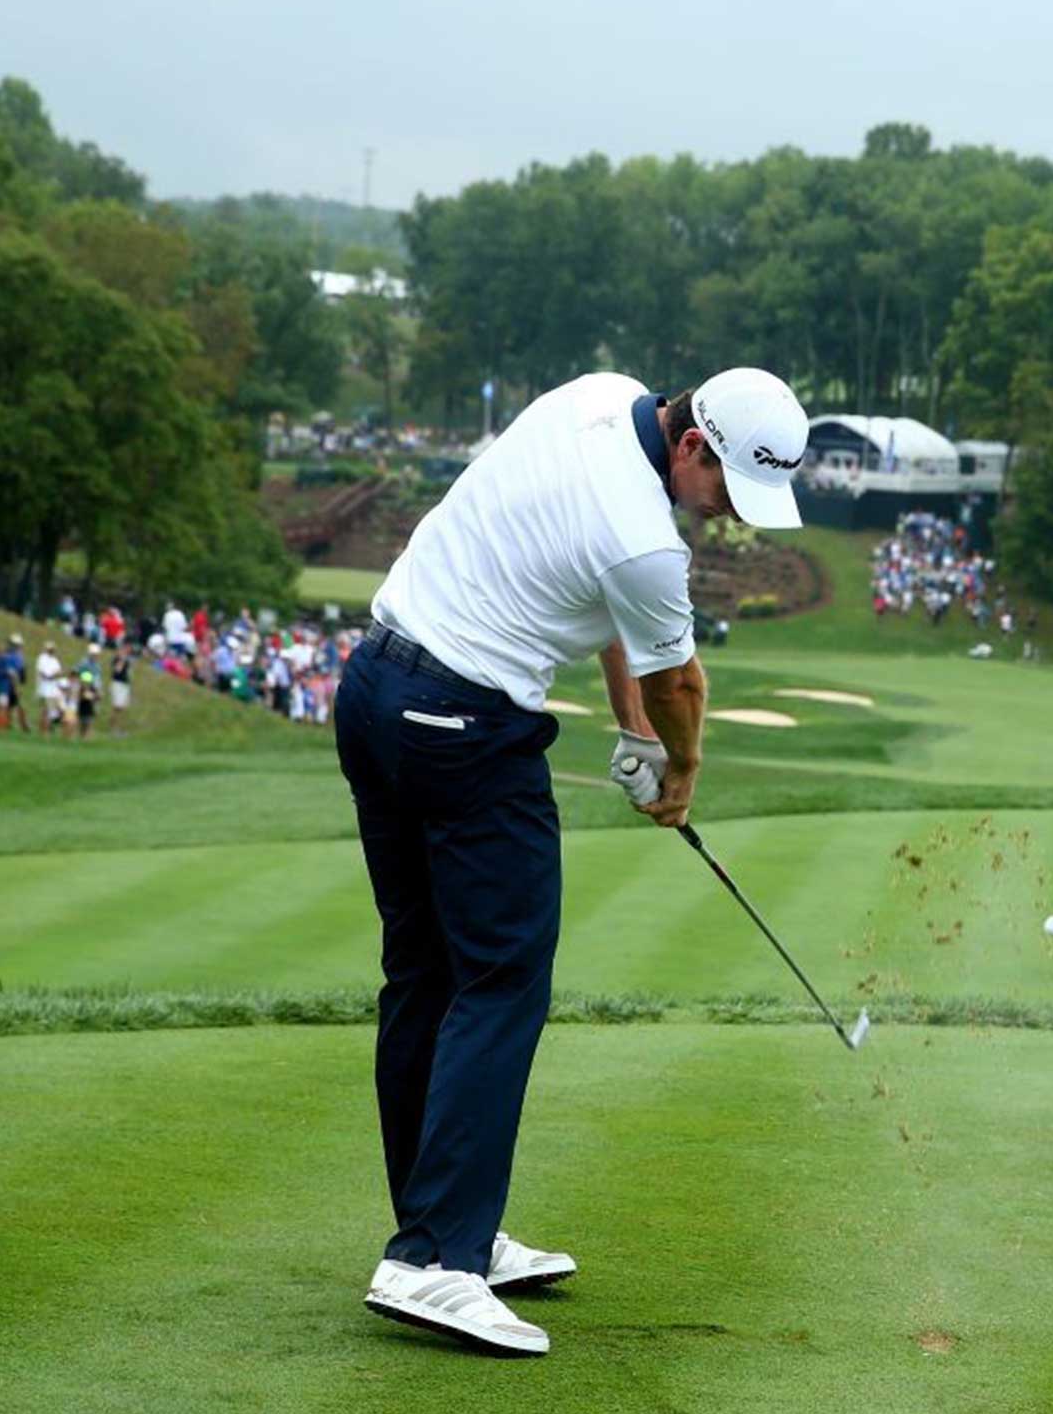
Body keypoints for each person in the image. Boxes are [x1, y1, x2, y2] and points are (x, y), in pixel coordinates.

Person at [338, 367, 808, 1357]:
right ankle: (434, 1261)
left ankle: (441, 1227)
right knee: (501, 983)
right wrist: (675, 769)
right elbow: (678, 679)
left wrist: (628, 728)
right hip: (463, 725)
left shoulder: (596, 395)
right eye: (727, 490)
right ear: (691, 448)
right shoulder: (647, 540)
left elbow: (614, 630)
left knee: (424, 975)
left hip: (375, 687)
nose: (727, 518)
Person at [0, 633, 29, 732]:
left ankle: (7, 725)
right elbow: (16, 673)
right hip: (10, 684)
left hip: (7, 684)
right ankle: (5, 725)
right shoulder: (15, 656)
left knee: (8, 706)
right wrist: (17, 686)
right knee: (7, 706)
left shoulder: (8, 655)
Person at [36, 639, 65, 739]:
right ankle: (44, 732)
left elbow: (59, 672)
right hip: (45, 689)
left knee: (52, 711)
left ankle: (46, 730)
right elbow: (44, 674)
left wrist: (56, 675)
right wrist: (54, 674)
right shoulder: (42, 658)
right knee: (46, 711)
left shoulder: (54, 660)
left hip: (53, 689)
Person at [75, 644, 101, 741]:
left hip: (92, 689)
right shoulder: (84, 663)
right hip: (85, 689)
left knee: (90, 713)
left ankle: (86, 736)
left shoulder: (97, 665)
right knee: (85, 712)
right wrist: (86, 688)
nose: (96, 656)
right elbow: (81, 676)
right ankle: (83, 736)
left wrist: (98, 691)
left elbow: (97, 679)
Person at [109, 645, 133, 735]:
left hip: (124, 684)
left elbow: (128, 672)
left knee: (122, 708)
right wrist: (122, 659)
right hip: (117, 684)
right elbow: (118, 670)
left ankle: (119, 728)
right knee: (116, 707)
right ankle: (114, 729)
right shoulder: (117, 659)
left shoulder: (127, 660)